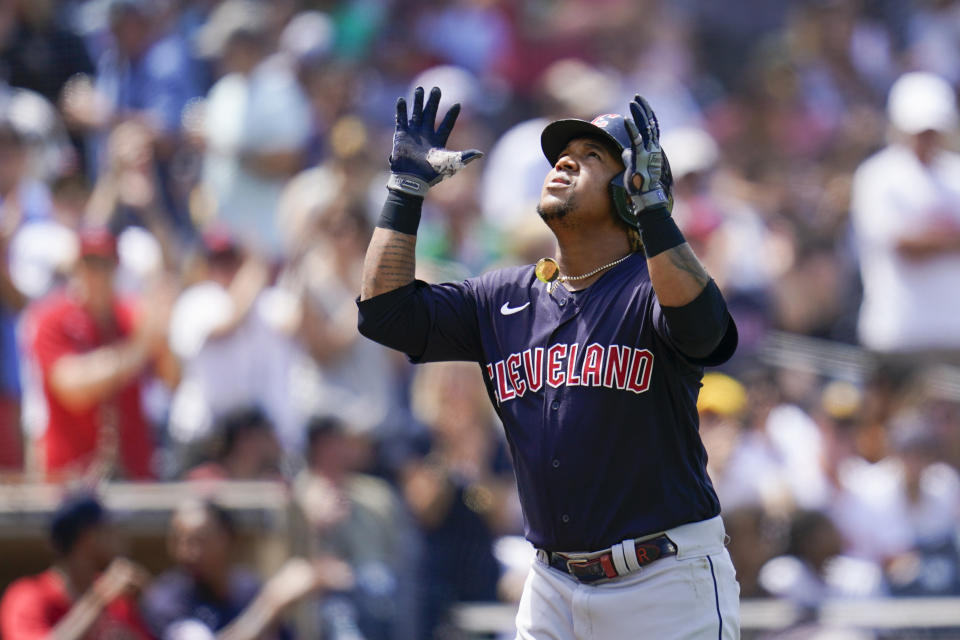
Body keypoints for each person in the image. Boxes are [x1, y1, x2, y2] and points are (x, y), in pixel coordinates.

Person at [357, 86, 740, 637]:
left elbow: (706, 333)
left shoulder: (650, 287)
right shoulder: (502, 298)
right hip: (552, 586)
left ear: (632, 192)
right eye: (563, 153)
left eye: (592, 157)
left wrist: (655, 211)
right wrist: (405, 190)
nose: (564, 161)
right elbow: (385, 314)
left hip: (664, 582)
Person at [24, 226, 178, 481]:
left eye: (105, 264)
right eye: (90, 264)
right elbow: (72, 387)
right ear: (76, 268)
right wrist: (140, 348)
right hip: (69, 476)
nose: (97, 274)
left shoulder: (131, 315)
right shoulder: (51, 318)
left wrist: (163, 332)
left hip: (133, 472)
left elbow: (172, 380)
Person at [851, 71, 960, 357]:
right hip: (897, 331)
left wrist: (931, 237)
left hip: (951, 331)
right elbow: (901, 244)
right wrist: (948, 239)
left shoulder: (955, 173)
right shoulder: (878, 175)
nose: (926, 139)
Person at [0, 492, 152, 640]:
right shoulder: (27, 596)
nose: (119, 538)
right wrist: (99, 599)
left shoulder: (117, 600)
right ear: (89, 538)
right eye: (109, 529)